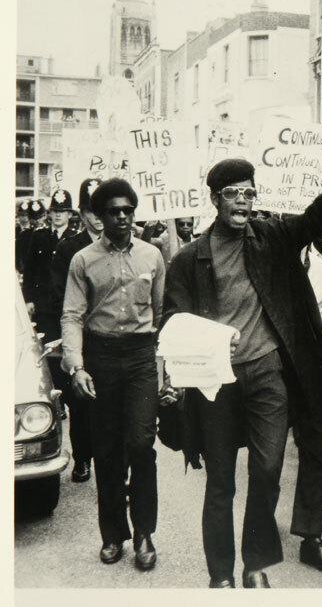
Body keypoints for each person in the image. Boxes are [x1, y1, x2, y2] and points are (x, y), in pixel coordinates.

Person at [162, 145, 322, 589]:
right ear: (215, 199)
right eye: (234, 194)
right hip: (216, 381)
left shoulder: (271, 237)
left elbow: (316, 217)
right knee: (220, 483)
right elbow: (174, 321)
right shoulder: (187, 259)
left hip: (268, 373)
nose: (244, 202)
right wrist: (202, 345)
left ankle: (255, 563)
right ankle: (220, 576)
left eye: (250, 194)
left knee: (268, 469)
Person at [60, 179, 166, 571]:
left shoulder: (152, 256)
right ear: (99, 217)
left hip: (139, 358)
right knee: (106, 451)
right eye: (114, 211)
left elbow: (159, 314)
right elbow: (71, 315)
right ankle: (112, 535)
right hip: (101, 358)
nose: (122, 217)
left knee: (141, 445)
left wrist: (162, 367)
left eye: (128, 210)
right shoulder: (83, 260)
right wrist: (77, 365)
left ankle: (144, 534)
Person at [286, 225, 322, 574]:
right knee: (268, 457)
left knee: (317, 452)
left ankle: (311, 537)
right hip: (275, 365)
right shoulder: (271, 261)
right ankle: (261, 522)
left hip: (313, 367)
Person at [49, 179, 103, 482]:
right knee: (81, 402)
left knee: (109, 405)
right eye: (90, 210)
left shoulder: (120, 243)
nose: (97, 217)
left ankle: (113, 464)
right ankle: (83, 459)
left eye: (101, 210)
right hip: (81, 338)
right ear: (81, 214)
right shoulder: (68, 247)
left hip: (110, 339)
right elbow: (59, 296)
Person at [23, 188, 76, 319]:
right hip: (41, 305)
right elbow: (29, 270)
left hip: (66, 306)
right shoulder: (38, 236)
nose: (58, 215)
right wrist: (28, 299)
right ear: (50, 213)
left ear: (69, 214)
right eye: (55, 211)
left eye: (62, 211)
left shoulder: (76, 239)